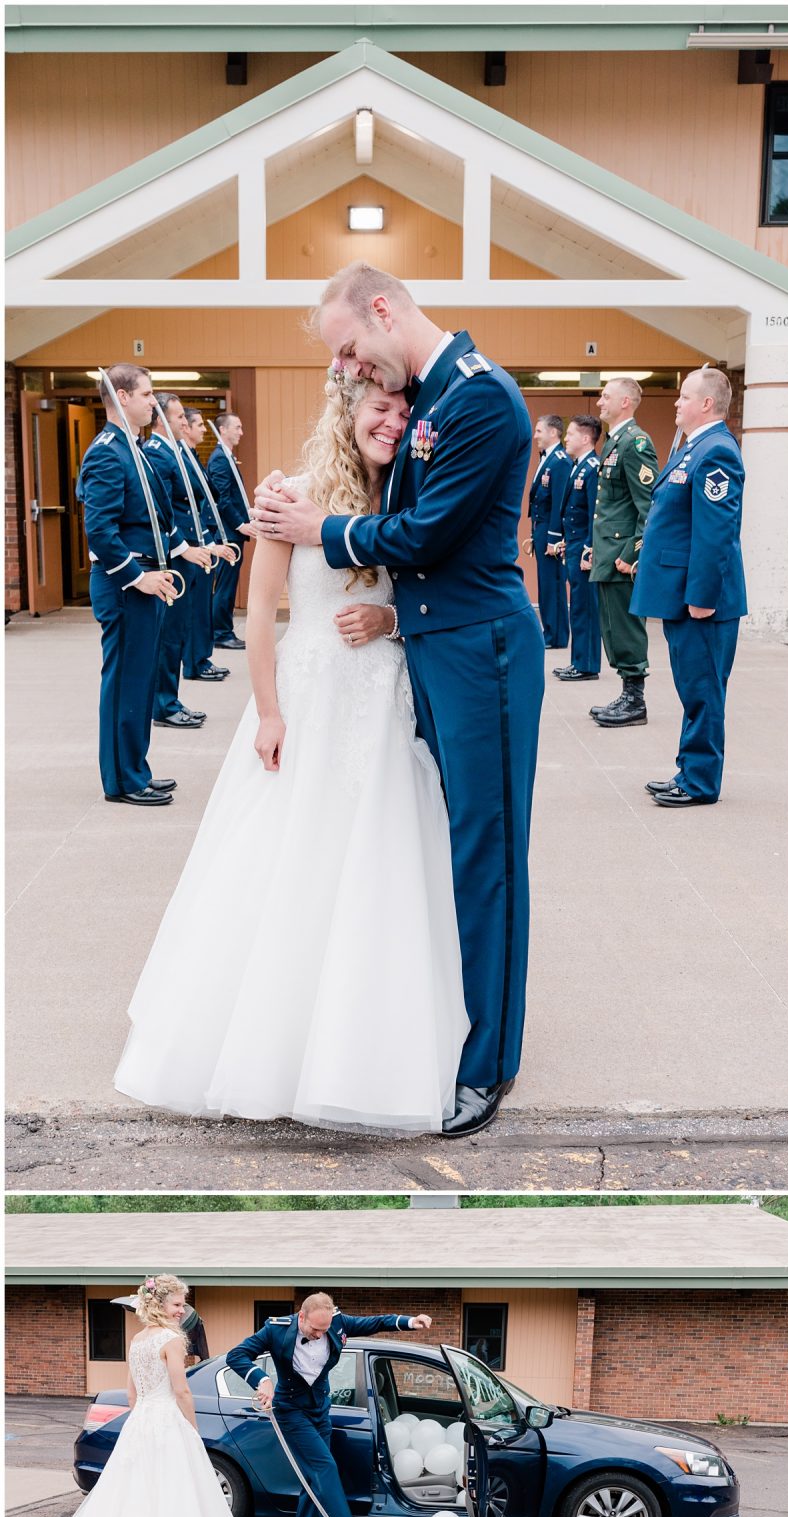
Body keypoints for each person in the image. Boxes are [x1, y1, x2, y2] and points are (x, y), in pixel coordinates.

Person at [114, 371, 469, 1131]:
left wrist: (391, 623)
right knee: (285, 862)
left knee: (379, 864)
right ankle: (271, 1043)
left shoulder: (414, 499)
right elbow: (260, 615)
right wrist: (269, 712)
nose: (394, 424)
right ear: (349, 411)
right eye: (381, 410)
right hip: (306, 702)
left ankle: (360, 1047)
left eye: (405, 414)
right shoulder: (286, 493)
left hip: (381, 701)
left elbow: (437, 597)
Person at [254, 262, 545, 1139]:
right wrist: (300, 489)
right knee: (451, 849)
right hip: (431, 647)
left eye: (351, 345)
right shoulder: (430, 393)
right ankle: (455, 1018)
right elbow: (375, 478)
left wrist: (317, 529)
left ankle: (488, 1066)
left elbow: (425, 534)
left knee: (485, 855)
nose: (351, 366)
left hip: (481, 650)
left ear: (384, 309)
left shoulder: (482, 397)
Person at [46, 1274, 261, 1517]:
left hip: (142, 1422)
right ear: (160, 1303)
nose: (181, 1311)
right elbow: (182, 1390)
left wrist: (142, 1420)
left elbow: (132, 1393)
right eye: (177, 1304)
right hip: (168, 1422)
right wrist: (192, 1430)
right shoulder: (170, 1339)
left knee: (134, 1499)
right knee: (175, 1497)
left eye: (182, 1304)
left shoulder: (137, 1340)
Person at [227, 1293, 432, 1517]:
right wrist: (262, 1380)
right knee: (325, 1468)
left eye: (324, 1330)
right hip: (291, 1412)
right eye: (315, 1329)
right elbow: (236, 1355)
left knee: (314, 1482)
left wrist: (410, 1321)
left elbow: (375, 1322)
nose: (320, 1334)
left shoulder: (337, 1323)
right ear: (301, 1316)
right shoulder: (276, 1329)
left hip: (320, 1410)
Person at [631, 367, 747, 807]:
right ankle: (689, 770)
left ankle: (699, 781)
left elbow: (715, 535)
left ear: (706, 404)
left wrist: (701, 597)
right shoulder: (693, 447)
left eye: (683, 397)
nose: (676, 404)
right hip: (682, 595)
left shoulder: (717, 451)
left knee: (703, 691)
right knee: (693, 688)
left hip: (702, 602)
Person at [80, 364, 184, 807]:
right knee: (124, 682)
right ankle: (122, 780)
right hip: (126, 584)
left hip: (147, 580)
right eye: (145, 394)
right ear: (122, 397)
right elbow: (100, 531)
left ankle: (135, 767)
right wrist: (138, 577)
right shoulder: (107, 451)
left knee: (139, 682)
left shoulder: (133, 449)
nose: (151, 401)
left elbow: (154, 517)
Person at [587, 377, 657, 728]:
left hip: (622, 556)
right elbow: (609, 506)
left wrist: (633, 552)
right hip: (608, 551)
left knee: (626, 628)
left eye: (606, 396)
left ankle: (635, 700)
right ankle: (627, 693)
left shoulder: (635, 442)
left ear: (626, 402)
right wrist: (594, 548)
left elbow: (649, 508)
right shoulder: (615, 441)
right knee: (613, 627)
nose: (600, 402)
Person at [145, 394, 214, 730]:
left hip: (187, 549)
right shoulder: (156, 454)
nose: (184, 424)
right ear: (161, 420)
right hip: (173, 554)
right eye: (179, 419)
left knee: (179, 630)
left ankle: (170, 699)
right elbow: (161, 511)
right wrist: (183, 547)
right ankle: (163, 704)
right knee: (169, 635)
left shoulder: (173, 450)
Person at [181, 406, 237, 684]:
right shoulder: (178, 457)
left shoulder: (191, 457)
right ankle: (195, 661)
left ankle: (200, 658)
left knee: (201, 606)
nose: (204, 429)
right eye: (198, 424)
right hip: (193, 543)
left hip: (203, 538)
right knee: (194, 609)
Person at [551, 415, 602, 682]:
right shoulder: (577, 466)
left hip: (583, 549)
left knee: (585, 608)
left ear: (585, 438)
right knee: (578, 607)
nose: (565, 438)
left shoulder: (593, 467)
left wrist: (589, 549)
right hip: (573, 546)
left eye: (570, 434)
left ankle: (587, 664)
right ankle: (578, 660)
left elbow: (595, 513)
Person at [527, 414, 572, 649]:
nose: (535, 436)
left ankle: (557, 635)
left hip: (550, 530)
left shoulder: (561, 461)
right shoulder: (548, 458)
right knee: (545, 584)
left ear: (553, 433)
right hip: (541, 527)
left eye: (539, 431)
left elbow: (559, 502)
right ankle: (550, 632)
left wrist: (555, 537)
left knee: (553, 583)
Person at [208, 412, 249, 650]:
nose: (241, 432)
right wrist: (240, 524)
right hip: (226, 533)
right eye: (237, 427)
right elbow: (222, 500)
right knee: (225, 584)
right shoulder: (220, 459)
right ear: (223, 430)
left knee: (228, 584)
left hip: (231, 531)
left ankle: (223, 630)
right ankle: (221, 633)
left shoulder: (227, 457)